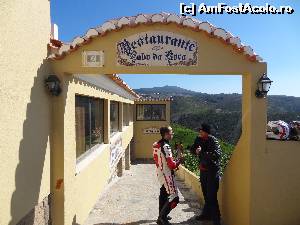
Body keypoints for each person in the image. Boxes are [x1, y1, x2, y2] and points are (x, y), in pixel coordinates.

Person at [190, 123, 222, 225]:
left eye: (202, 131)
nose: (199, 132)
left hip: (212, 172)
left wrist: (201, 152)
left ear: (206, 132)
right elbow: (192, 149)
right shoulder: (198, 139)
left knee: (212, 196)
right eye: (200, 130)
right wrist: (195, 151)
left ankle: (216, 220)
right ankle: (206, 215)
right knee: (206, 195)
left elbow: (217, 155)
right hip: (203, 172)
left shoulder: (213, 140)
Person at [153, 126, 183, 225]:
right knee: (174, 198)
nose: (172, 134)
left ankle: (161, 215)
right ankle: (162, 218)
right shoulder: (166, 146)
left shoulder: (156, 144)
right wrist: (179, 160)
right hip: (167, 174)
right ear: (166, 134)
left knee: (164, 194)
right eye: (171, 132)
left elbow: (161, 159)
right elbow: (171, 165)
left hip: (160, 173)